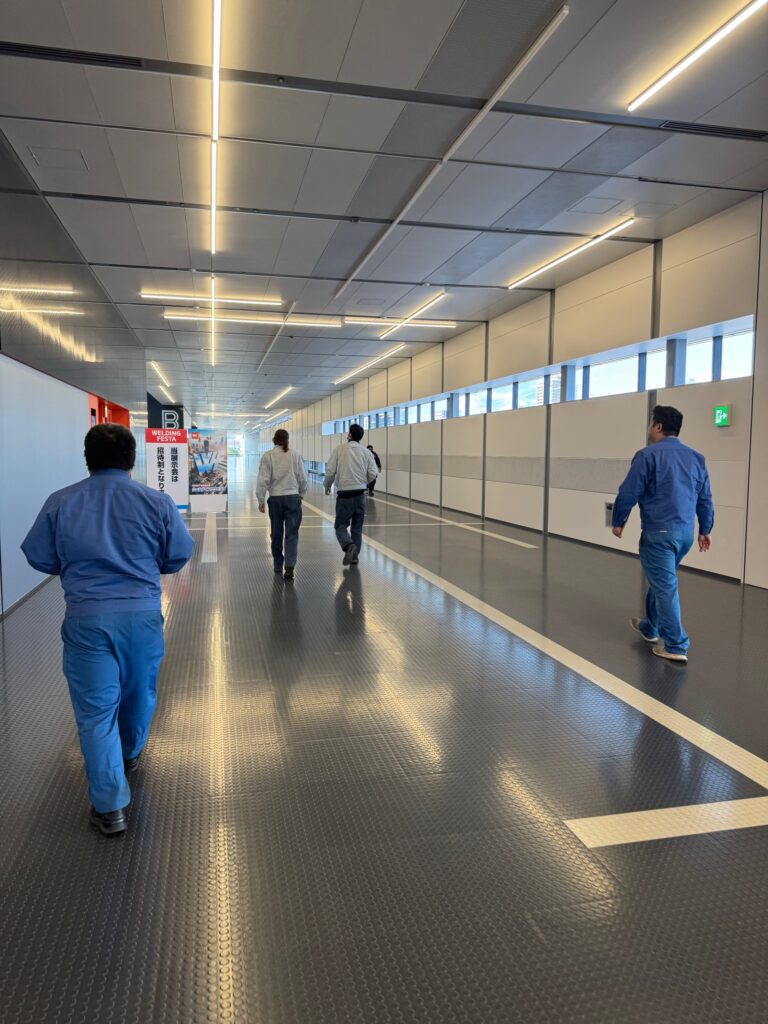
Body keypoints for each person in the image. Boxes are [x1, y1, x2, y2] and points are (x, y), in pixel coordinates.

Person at [21, 424, 194, 835]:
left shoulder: (61, 501)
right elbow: (178, 554)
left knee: (95, 712)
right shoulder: (156, 502)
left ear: (88, 459)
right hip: (142, 617)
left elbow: (39, 556)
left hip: (87, 619)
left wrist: (76, 568)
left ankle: (110, 807)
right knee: (139, 692)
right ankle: (130, 752)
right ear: (132, 459)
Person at [611, 405, 714, 664]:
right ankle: (649, 627)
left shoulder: (647, 455)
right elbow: (705, 497)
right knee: (662, 580)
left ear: (657, 426)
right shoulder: (696, 458)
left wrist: (618, 520)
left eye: (651, 423)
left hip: (658, 534)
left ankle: (676, 644)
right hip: (685, 535)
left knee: (665, 586)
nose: (649, 428)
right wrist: (706, 529)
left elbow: (628, 491)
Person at [324, 423, 378, 566]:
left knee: (340, 526)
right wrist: (362, 482)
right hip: (360, 494)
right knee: (357, 527)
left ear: (349, 435)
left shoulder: (339, 449)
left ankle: (348, 546)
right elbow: (373, 473)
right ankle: (354, 557)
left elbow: (330, 471)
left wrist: (327, 486)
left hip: (344, 495)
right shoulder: (366, 452)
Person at [256, 428, 307, 580]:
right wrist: (302, 493)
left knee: (276, 533)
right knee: (292, 533)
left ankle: (278, 564)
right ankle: (290, 566)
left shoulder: (268, 456)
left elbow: (263, 479)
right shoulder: (295, 455)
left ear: (274, 440)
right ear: (287, 440)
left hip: (275, 499)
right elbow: (302, 477)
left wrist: (260, 499)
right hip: (292, 498)